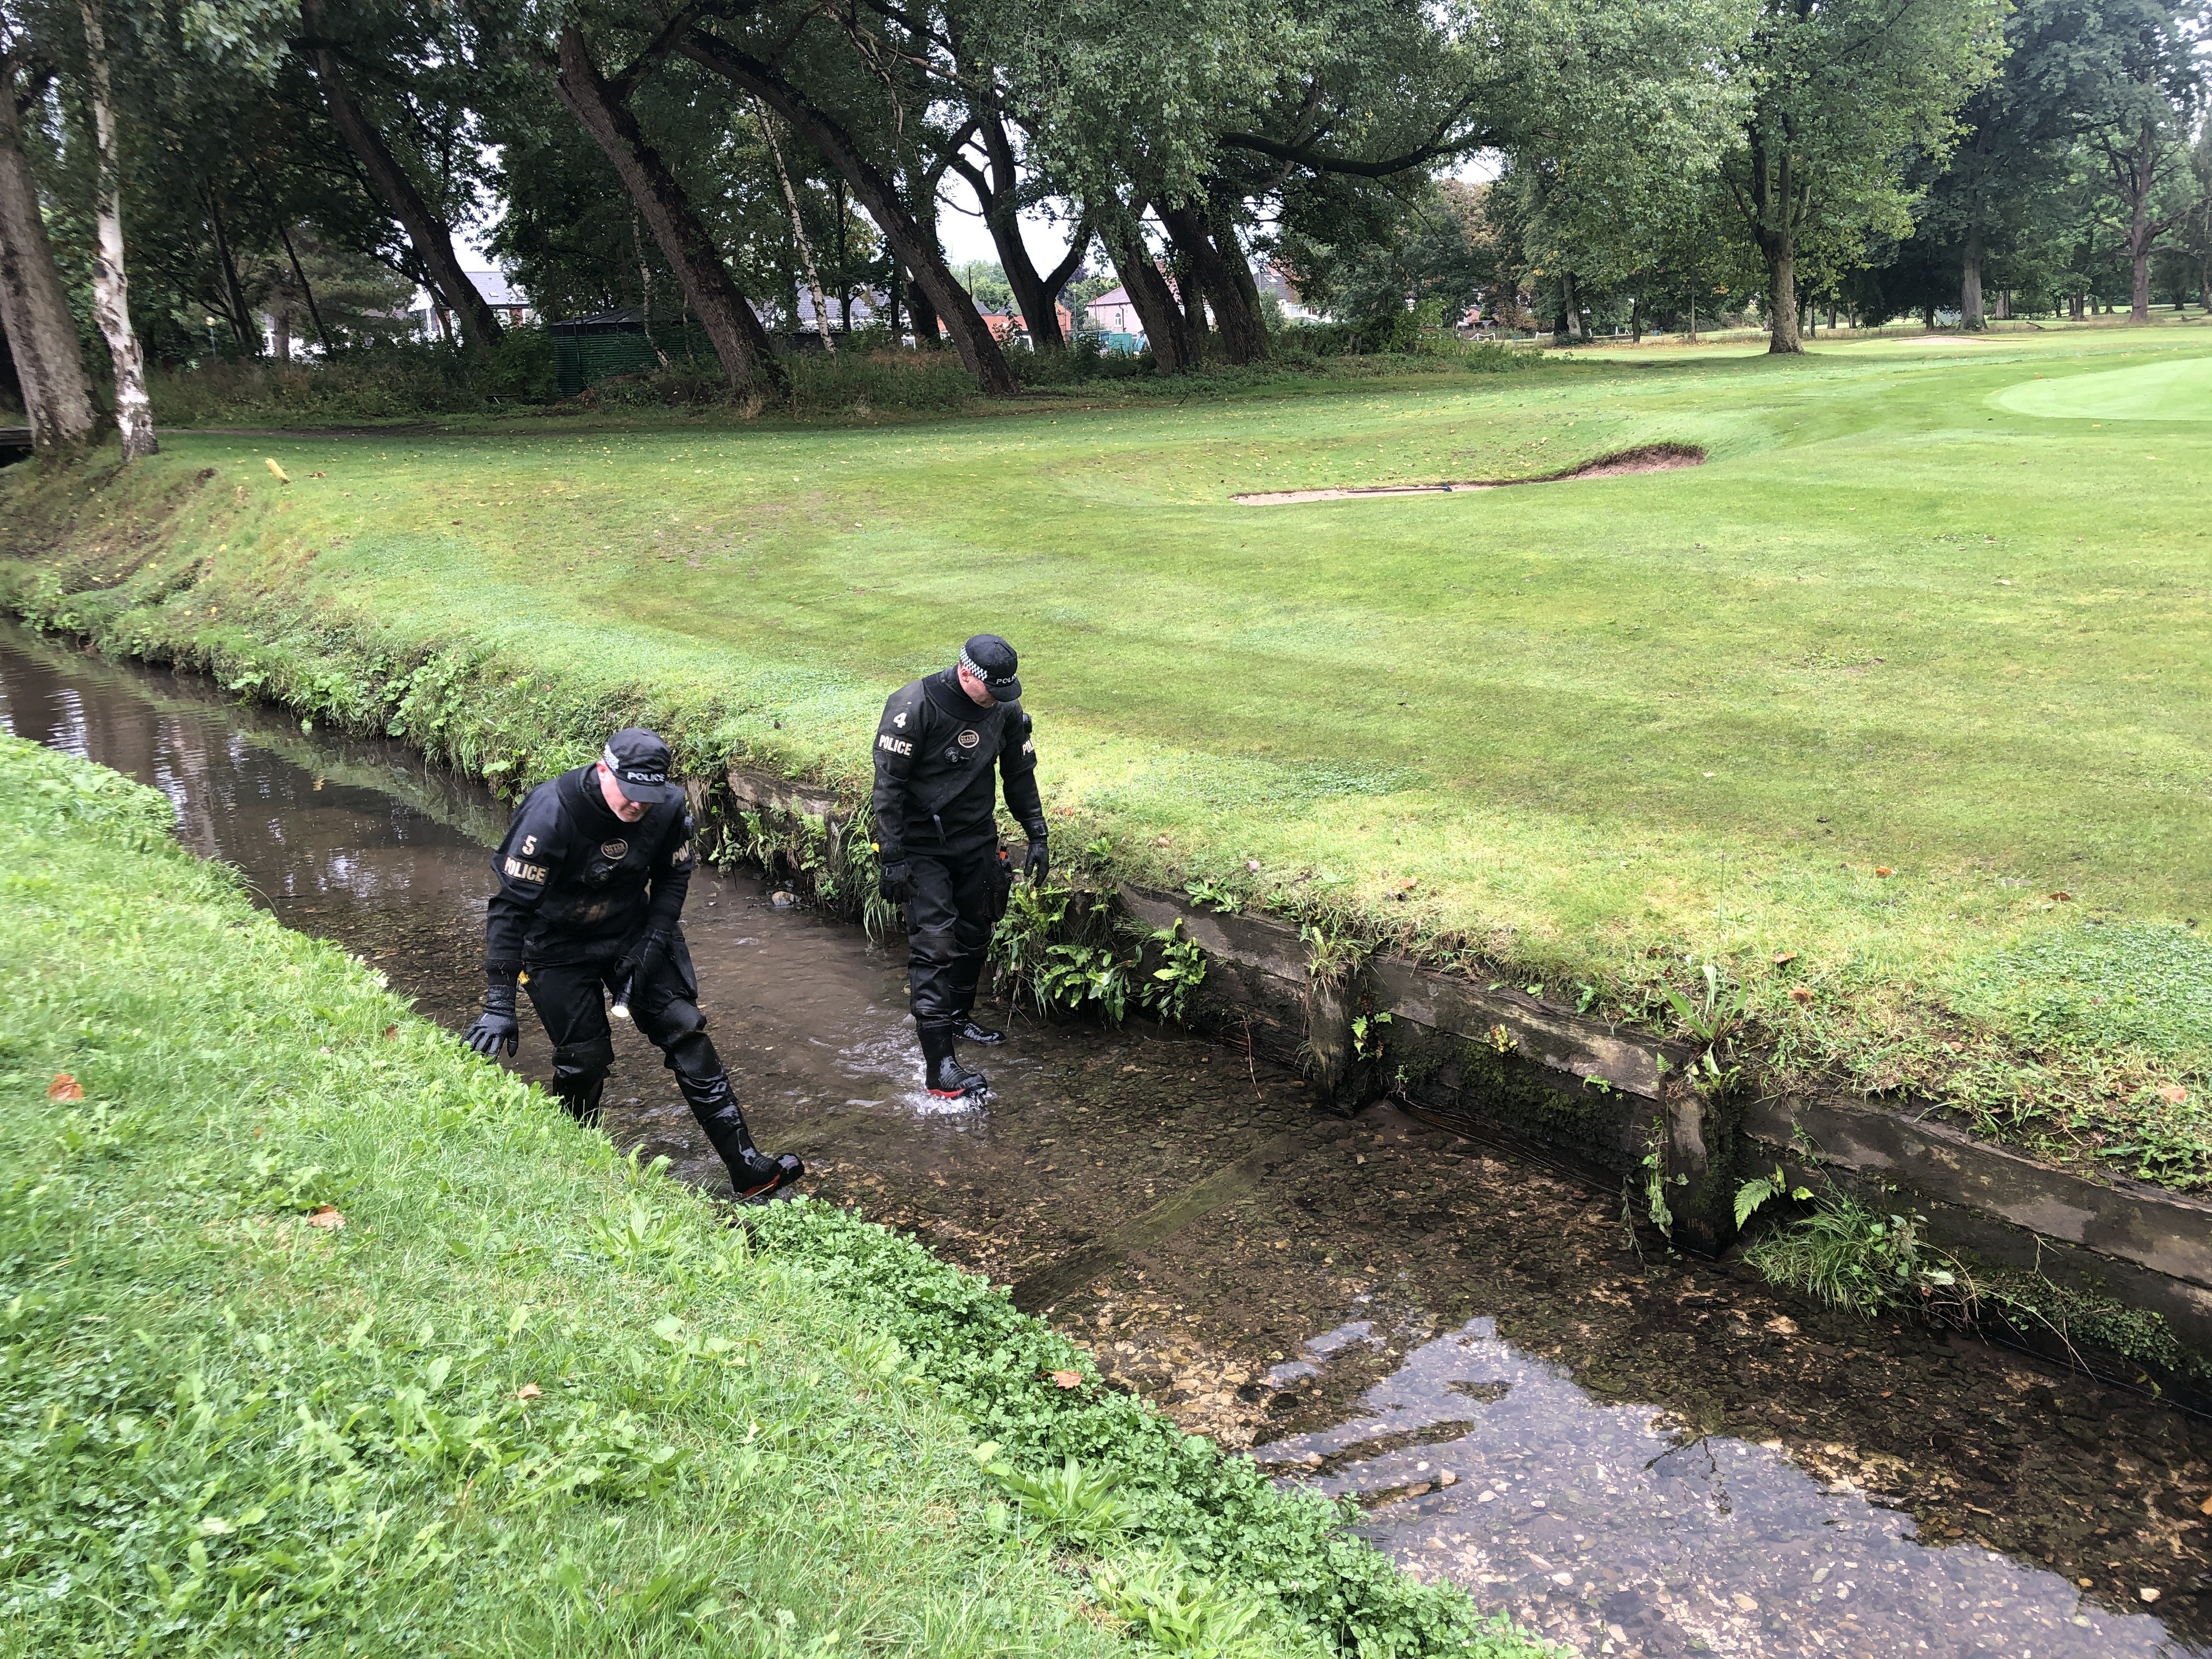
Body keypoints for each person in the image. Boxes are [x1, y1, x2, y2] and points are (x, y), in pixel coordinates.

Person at [464, 727, 804, 1199]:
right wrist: (499, 1000)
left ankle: (747, 1168)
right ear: (603, 769)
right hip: (555, 943)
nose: (636, 806)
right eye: (628, 794)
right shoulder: (551, 812)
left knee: (686, 1030)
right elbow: (509, 908)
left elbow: (672, 876)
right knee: (585, 1060)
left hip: (631, 931)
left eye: (647, 797)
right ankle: (574, 1164)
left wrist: (653, 941)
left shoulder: (665, 806)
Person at [872, 634, 1047, 1098]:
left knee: (976, 927)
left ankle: (959, 1016)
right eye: (991, 690)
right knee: (934, 946)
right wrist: (892, 857)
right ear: (965, 672)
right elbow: (888, 788)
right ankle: (940, 1067)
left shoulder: (1003, 708)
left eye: (1005, 693)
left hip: (976, 838)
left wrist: (1038, 833)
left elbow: (1018, 772)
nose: (997, 701)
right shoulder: (913, 706)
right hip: (922, 845)